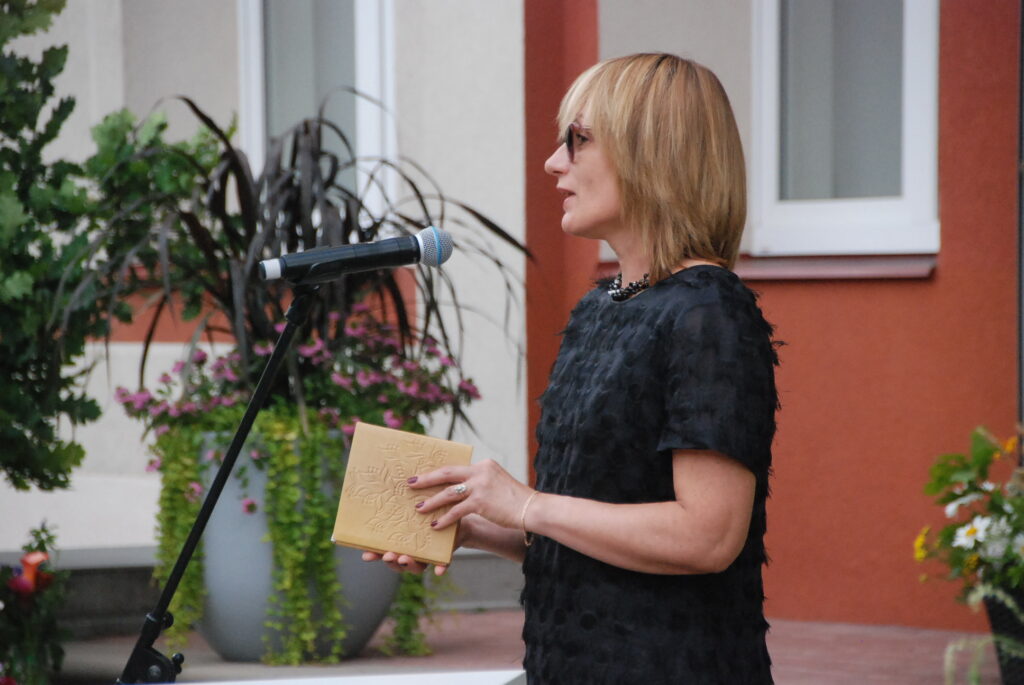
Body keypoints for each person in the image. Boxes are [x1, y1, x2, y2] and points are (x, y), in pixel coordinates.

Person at [363, 52, 779, 684]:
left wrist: (526, 505)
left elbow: (707, 536)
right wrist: (480, 528)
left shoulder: (709, 312)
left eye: (578, 140)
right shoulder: (600, 308)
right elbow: (594, 527)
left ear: (651, 152)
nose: (554, 162)